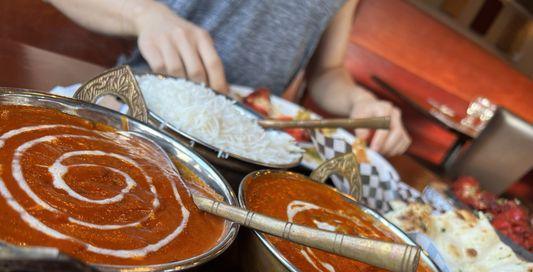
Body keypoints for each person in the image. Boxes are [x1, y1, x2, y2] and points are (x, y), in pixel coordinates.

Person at [48, 0, 411, 156]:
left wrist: (359, 101)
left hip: (244, 142)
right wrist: (144, 15)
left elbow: (327, 72)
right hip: (143, 110)